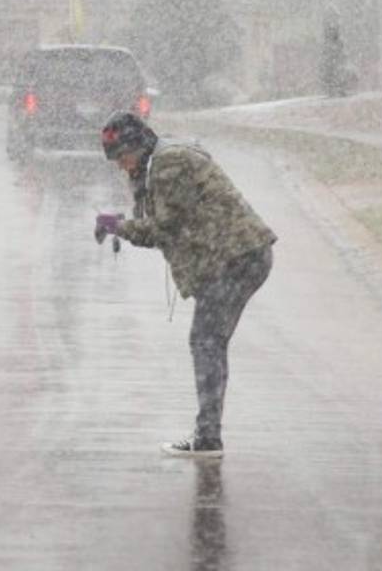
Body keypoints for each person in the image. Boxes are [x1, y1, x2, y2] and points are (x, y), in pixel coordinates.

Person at [95, 112, 276, 458]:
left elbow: (164, 229)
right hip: (235, 257)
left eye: (122, 156)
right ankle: (208, 434)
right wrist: (125, 222)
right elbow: (161, 223)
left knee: (206, 340)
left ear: (138, 146)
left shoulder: (168, 164)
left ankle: (208, 438)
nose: (120, 165)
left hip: (234, 258)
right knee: (209, 341)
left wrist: (120, 227)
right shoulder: (158, 163)